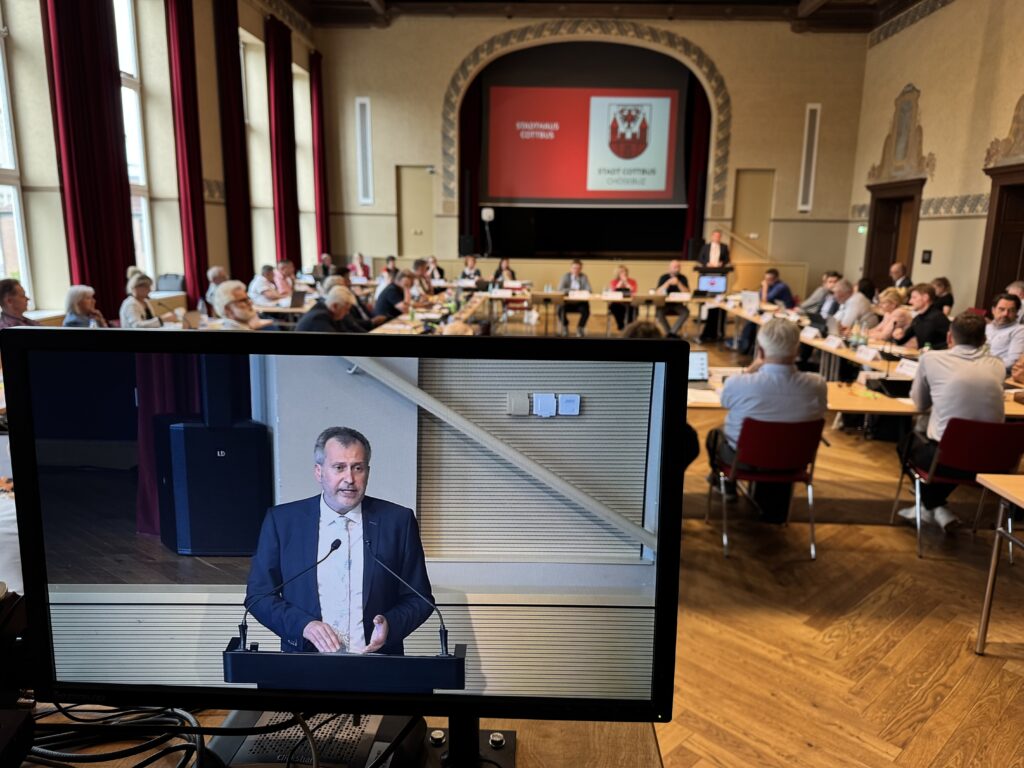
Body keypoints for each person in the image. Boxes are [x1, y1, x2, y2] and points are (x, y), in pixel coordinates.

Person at [246, 427, 433, 654]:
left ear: (368, 472)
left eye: (358, 468)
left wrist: (390, 626)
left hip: (376, 663)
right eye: (339, 468)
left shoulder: (397, 521)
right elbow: (259, 596)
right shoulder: (283, 522)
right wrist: (303, 625)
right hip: (306, 663)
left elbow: (419, 598)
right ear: (319, 472)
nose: (350, 479)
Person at [707, 318, 827, 518]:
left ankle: (727, 485)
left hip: (744, 461)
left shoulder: (739, 383)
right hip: (795, 460)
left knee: (715, 435)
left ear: (760, 352)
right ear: (798, 351)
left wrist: (752, 368)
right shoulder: (817, 385)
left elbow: (725, 402)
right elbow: (821, 410)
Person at [896, 313, 1005, 531]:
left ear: (949, 338)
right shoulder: (997, 365)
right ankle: (937, 508)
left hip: (947, 459)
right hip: (993, 460)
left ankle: (929, 505)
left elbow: (919, 404)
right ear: (984, 340)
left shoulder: (931, 359)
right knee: (959, 445)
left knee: (907, 445)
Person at [733, 269, 795, 355]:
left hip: (784, 314)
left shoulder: (781, 286)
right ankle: (746, 346)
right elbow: (759, 297)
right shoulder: (769, 285)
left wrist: (764, 287)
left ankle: (746, 347)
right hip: (771, 312)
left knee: (752, 323)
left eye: (769, 279)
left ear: (776, 278)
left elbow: (765, 300)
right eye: (765, 279)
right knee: (751, 322)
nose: (766, 281)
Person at [892, 283, 950, 350]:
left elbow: (952, 344)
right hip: (923, 357)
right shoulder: (918, 319)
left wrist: (931, 349)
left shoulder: (939, 318)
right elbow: (901, 341)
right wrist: (897, 336)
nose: (910, 301)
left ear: (925, 297)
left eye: (914, 297)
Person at [985, 293, 1024, 372]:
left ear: (1017, 313)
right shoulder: (987, 327)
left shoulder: (1019, 331)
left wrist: (982, 366)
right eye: (1001, 309)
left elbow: (1013, 362)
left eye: (1011, 311)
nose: (1005, 314)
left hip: (999, 374)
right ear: (993, 310)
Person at [654, 259, 690, 338]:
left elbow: (687, 293)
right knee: (659, 312)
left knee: (686, 312)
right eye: (674, 267)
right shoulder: (664, 277)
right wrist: (667, 283)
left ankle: (671, 333)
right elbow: (657, 292)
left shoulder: (683, 278)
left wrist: (678, 283)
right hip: (665, 304)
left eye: (678, 267)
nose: (676, 269)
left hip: (678, 304)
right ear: (669, 268)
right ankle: (670, 333)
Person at [557, 259, 592, 337]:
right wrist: (573, 291)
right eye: (574, 268)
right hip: (567, 302)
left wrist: (580, 292)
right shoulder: (565, 276)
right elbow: (560, 289)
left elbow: (589, 290)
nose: (576, 270)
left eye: (578, 268)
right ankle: (565, 326)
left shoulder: (584, 277)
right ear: (570, 268)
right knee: (559, 309)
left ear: (581, 269)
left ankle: (580, 328)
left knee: (586, 310)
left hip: (580, 303)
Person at [608, 265, 638, 331]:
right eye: (622, 272)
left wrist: (626, 282)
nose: (624, 273)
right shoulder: (614, 281)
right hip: (618, 303)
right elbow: (613, 292)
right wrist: (621, 282)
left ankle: (630, 328)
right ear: (618, 273)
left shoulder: (632, 281)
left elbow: (634, 291)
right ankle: (621, 326)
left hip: (630, 302)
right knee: (613, 307)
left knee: (634, 307)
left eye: (625, 271)